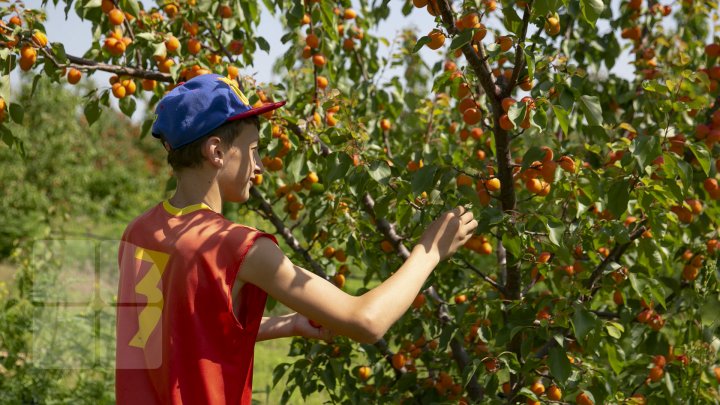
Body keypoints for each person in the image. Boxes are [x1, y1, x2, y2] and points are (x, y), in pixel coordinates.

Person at [115, 73, 478, 404]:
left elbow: (170, 336)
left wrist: (286, 323)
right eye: (253, 150)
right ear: (216, 151)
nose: (258, 166)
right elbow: (366, 321)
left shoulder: (140, 232)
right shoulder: (236, 246)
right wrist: (429, 251)